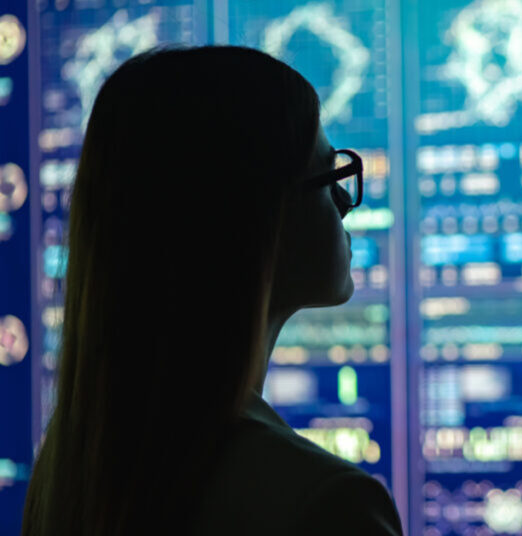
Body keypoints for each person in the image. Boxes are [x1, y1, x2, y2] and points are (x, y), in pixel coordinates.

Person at [21, 46, 402, 535]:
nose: (346, 200)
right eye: (330, 175)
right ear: (255, 218)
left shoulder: (68, 476)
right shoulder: (328, 504)